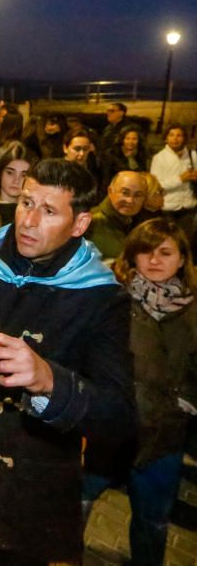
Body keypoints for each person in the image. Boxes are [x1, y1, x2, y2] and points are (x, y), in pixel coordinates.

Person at [0, 158, 134, 563]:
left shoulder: (101, 297)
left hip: (30, 482)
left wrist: (50, 379)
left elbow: (118, 414)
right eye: (25, 202)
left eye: (48, 211)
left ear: (80, 224)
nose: (28, 221)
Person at [83, 218, 197, 566]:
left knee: (153, 524)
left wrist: (185, 402)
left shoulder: (193, 309)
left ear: (182, 258)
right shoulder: (111, 298)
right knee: (76, 506)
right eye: (145, 251)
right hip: (109, 430)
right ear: (132, 255)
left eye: (165, 252)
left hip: (165, 435)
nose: (154, 259)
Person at [86, 170, 147, 261]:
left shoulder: (141, 225)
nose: (130, 200)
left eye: (138, 195)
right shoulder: (90, 222)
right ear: (110, 191)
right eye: (125, 193)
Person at [149, 124, 197, 236]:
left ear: (184, 138)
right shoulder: (159, 158)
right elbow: (156, 184)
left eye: (179, 135)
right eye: (171, 135)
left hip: (189, 206)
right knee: (168, 239)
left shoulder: (192, 155)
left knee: (186, 240)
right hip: (168, 208)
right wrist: (180, 179)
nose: (175, 138)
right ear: (166, 138)